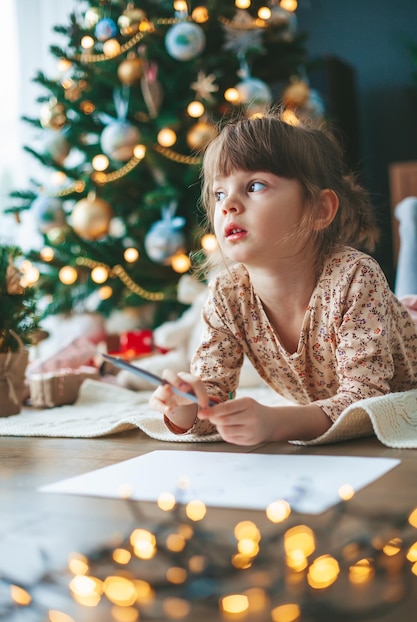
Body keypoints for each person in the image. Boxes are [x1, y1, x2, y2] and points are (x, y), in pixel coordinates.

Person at [149, 112, 417, 445]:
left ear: (319, 210)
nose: (228, 204)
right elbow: (212, 398)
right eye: (219, 194)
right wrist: (184, 406)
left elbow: (366, 401)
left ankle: (411, 219)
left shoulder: (355, 276)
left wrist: (278, 423)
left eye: (255, 185)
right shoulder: (227, 293)